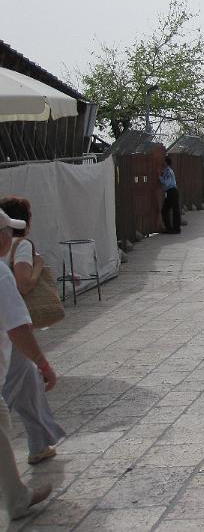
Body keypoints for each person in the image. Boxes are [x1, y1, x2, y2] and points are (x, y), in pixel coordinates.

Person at [0, 197, 65, 467]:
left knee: (27, 385)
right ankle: (37, 444)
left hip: (10, 329)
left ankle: (40, 442)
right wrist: (39, 266)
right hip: (11, 327)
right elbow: (24, 284)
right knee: (19, 386)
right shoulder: (22, 246)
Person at [0, 208, 54, 521]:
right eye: (8, 231)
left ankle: (15, 495)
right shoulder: (3, 273)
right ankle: (17, 498)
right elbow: (18, 328)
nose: (11, 236)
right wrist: (43, 363)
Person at [160, 156, 181, 234]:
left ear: (166, 162)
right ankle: (170, 228)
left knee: (174, 210)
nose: (162, 163)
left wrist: (159, 178)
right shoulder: (166, 171)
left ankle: (176, 229)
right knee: (165, 210)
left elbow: (167, 183)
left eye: (163, 162)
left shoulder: (168, 171)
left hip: (172, 191)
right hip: (170, 192)